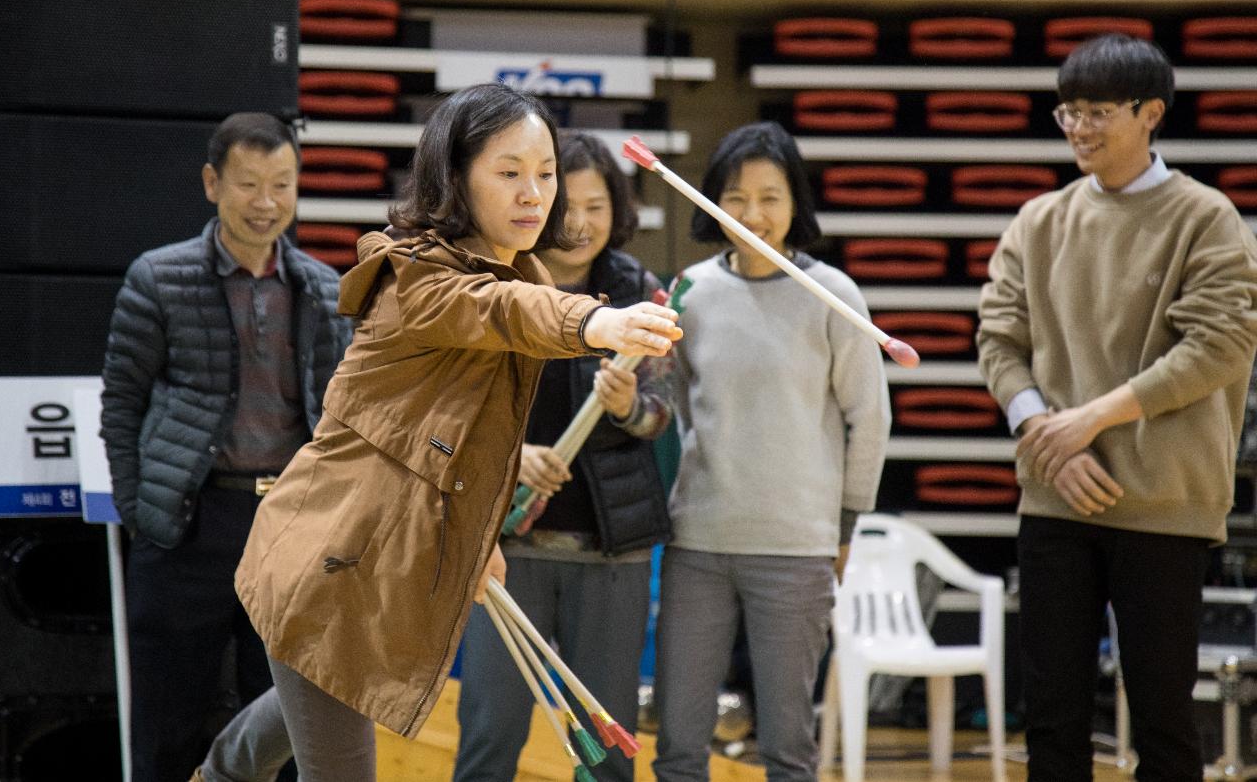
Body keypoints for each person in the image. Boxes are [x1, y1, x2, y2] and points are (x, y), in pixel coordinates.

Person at [206, 83, 681, 782]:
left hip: (383, 561)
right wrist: (594, 322)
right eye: (509, 171)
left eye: (545, 172)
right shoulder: (417, 271)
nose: (535, 192)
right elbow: (497, 309)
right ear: (455, 177)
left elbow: (464, 431)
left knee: (276, 729)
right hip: (331, 559)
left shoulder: (521, 267)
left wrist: (476, 536)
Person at [977, 33, 1257, 781]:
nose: (1079, 127)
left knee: (1165, 720)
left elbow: (1220, 346)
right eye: (1068, 110)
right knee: (1052, 719)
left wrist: (1089, 420)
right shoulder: (1039, 220)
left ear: (1151, 113)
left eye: (1099, 110)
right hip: (1054, 501)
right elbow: (997, 339)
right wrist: (1045, 433)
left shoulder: (1206, 217)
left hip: (1164, 503)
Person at [99, 112, 351, 782]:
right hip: (190, 524)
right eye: (248, 183)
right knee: (168, 719)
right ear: (213, 183)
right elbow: (121, 402)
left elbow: (342, 416)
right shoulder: (158, 278)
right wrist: (140, 510)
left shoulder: (325, 288)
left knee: (284, 723)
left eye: (283, 184)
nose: (267, 202)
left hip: (291, 531)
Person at [651, 121, 891, 782]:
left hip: (796, 550)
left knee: (788, 751)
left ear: (796, 203)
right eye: (735, 196)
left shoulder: (834, 295)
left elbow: (870, 420)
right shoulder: (689, 293)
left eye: (771, 196)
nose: (753, 213)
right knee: (676, 748)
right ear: (711, 201)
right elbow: (666, 412)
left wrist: (844, 526)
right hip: (697, 544)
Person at [452, 131, 674, 782]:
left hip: (612, 550)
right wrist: (512, 456)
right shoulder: (501, 282)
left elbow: (662, 416)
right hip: (509, 545)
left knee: (607, 747)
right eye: (565, 203)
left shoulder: (642, 289)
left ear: (620, 209)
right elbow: (458, 414)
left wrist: (631, 403)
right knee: (490, 732)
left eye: (597, 206)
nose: (578, 223)